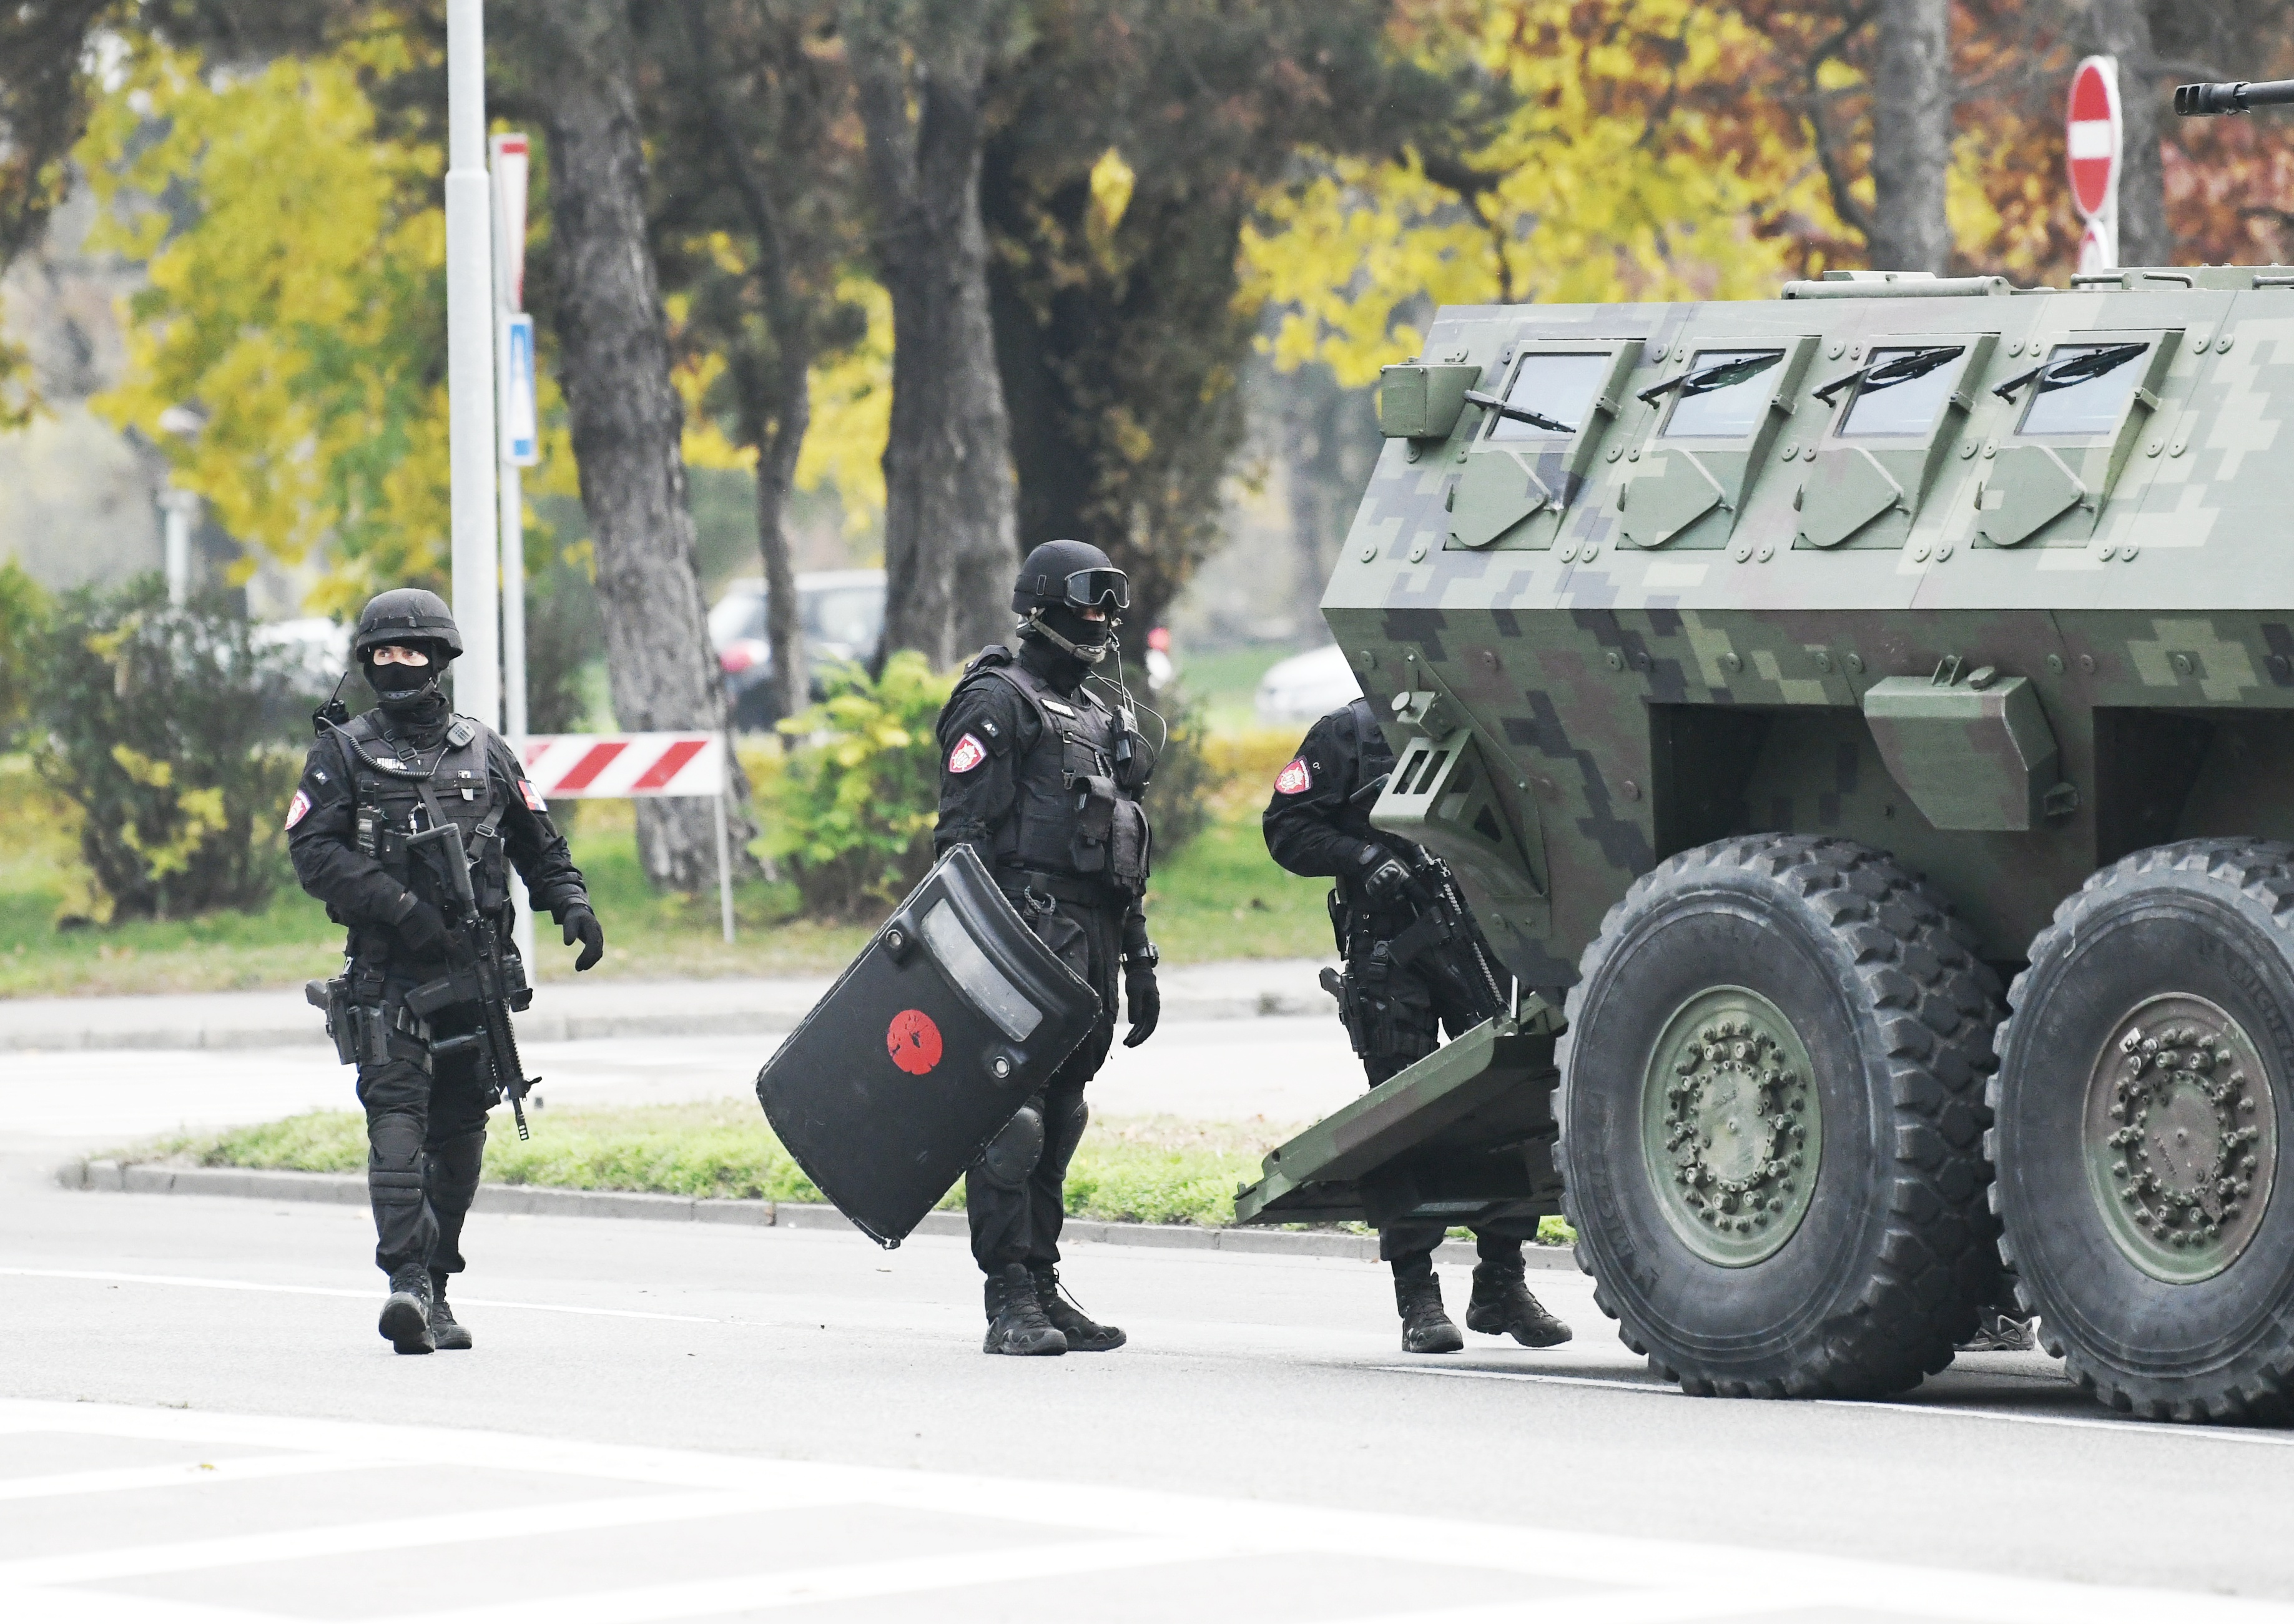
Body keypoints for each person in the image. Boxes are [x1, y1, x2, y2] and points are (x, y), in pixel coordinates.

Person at [288, 588, 604, 1354]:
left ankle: (435, 1286)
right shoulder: (344, 751)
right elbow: (314, 853)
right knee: (397, 1123)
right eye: (383, 655)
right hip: (389, 975)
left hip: (476, 977)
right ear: (367, 664)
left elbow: (539, 843)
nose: (398, 666)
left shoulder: (482, 748)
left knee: (461, 1135)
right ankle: (402, 1281)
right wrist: (400, 907)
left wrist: (571, 905)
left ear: (440, 659)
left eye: (412, 652)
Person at [1264, 697, 1571, 1354]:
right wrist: (1361, 858)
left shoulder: (1479, 717)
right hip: (1388, 954)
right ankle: (1417, 1295)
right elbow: (1286, 829)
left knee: (1514, 1103)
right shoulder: (1346, 732)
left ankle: (1501, 1280)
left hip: (1477, 943)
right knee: (1400, 1119)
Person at [933, 539, 1161, 1357]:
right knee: (1013, 1119)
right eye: (1086, 601)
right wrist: (976, 959)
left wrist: (1138, 960)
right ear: (1043, 602)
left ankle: (1045, 1281)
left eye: (1109, 605)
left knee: (1062, 1114)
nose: (1099, 619)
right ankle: (1008, 1299)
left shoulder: (1101, 717)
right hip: (1022, 938)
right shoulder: (997, 701)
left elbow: (1120, 851)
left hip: (1091, 940)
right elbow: (960, 844)